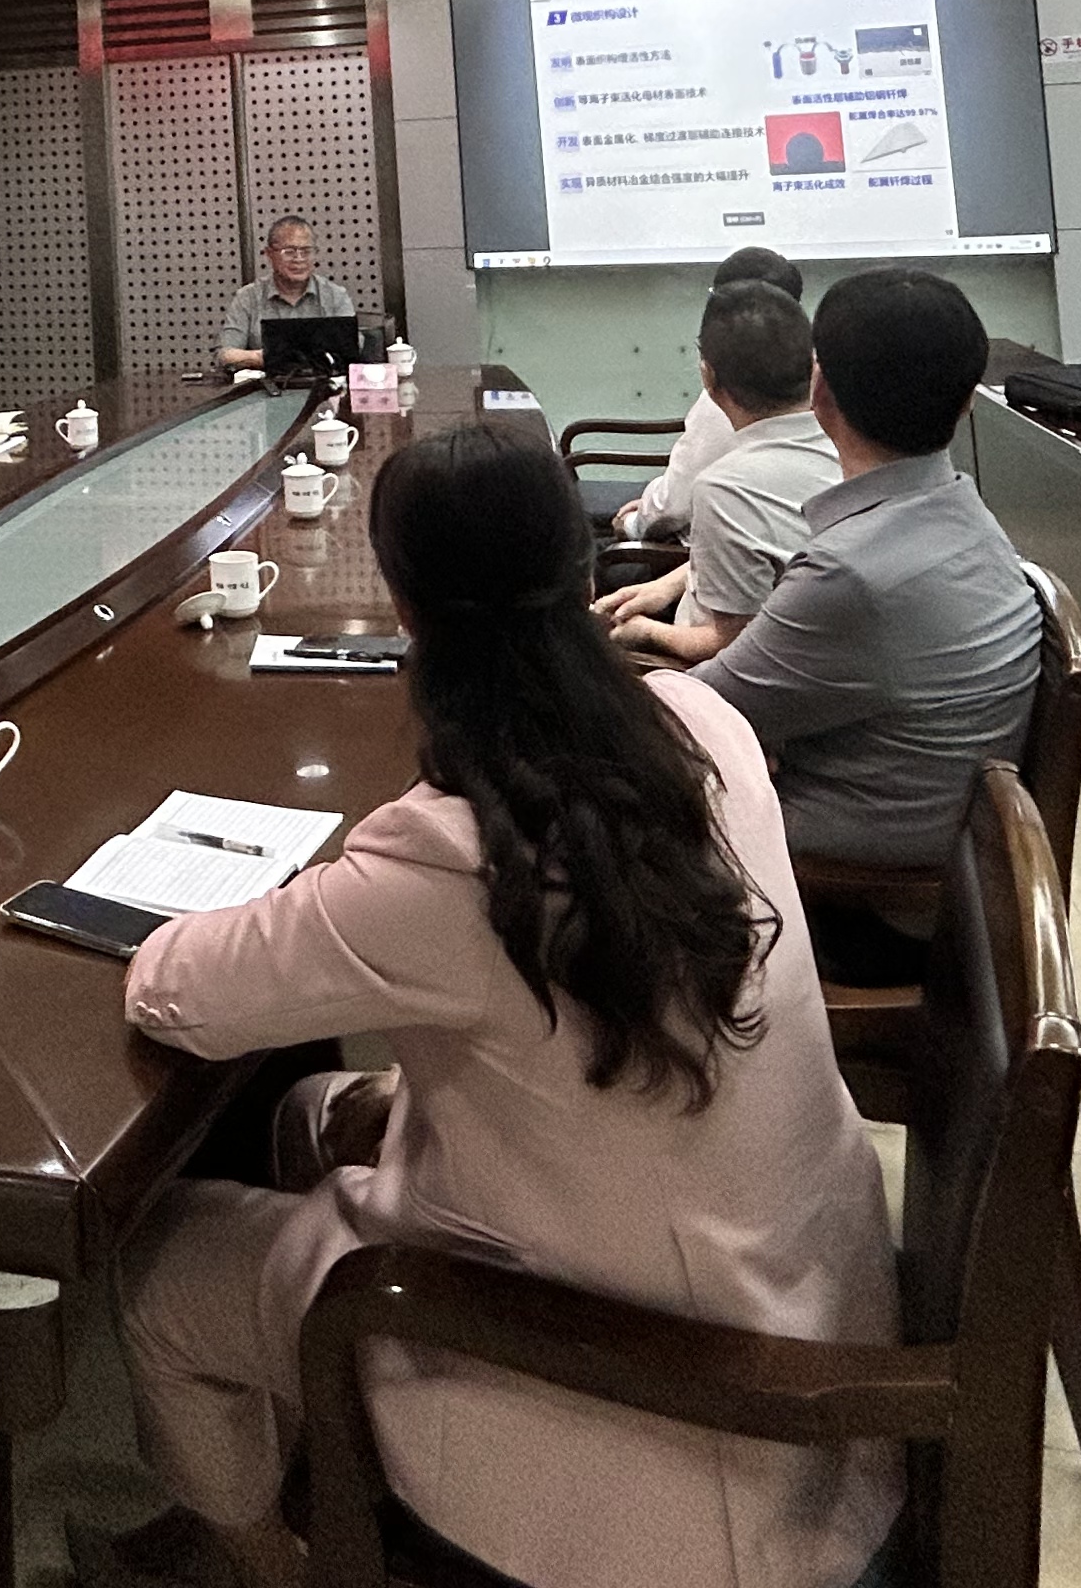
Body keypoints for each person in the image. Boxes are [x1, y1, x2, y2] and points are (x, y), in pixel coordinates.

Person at [93, 422, 901, 1588]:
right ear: (585, 568)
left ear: (405, 610)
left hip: (655, 1420)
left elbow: (174, 992)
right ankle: (295, 1466)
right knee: (304, 1114)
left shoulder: (451, 856)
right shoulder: (705, 726)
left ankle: (270, 1562)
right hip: (798, 1316)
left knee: (161, 1267)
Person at [608, 268, 1039, 982]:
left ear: (819, 393)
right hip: (949, 860)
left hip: (864, 904)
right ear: (967, 404)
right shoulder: (967, 517)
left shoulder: (852, 572)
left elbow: (695, 714)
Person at [591, 281, 840, 647]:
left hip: (713, 670)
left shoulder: (724, 488)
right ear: (813, 365)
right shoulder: (847, 445)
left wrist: (648, 632)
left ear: (708, 376)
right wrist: (666, 586)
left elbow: (730, 643)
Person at [612, 246, 807, 542]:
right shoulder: (826, 387)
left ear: (708, 372)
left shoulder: (726, 401)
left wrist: (631, 523)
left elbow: (670, 509)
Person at [216, 215, 355, 369]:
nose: (299, 259)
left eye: (306, 251)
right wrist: (269, 357)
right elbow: (226, 355)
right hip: (266, 382)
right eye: (289, 252)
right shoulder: (248, 297)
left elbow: (353, 347)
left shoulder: (336, 296)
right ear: (269, 254)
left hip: (324, 381)